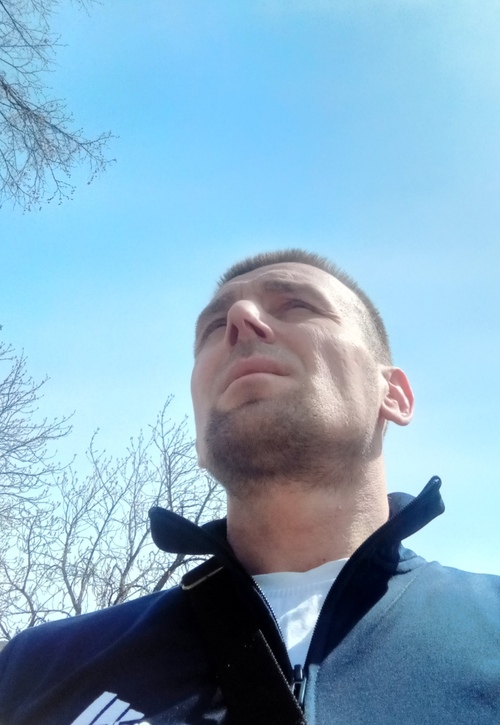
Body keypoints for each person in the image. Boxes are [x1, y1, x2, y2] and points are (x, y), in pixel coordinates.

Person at [0, 249, 499, 725]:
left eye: (296, 305)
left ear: (393, 394)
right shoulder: (35, 667)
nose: (240, 318)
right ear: (200, 434)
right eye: (213, 328)